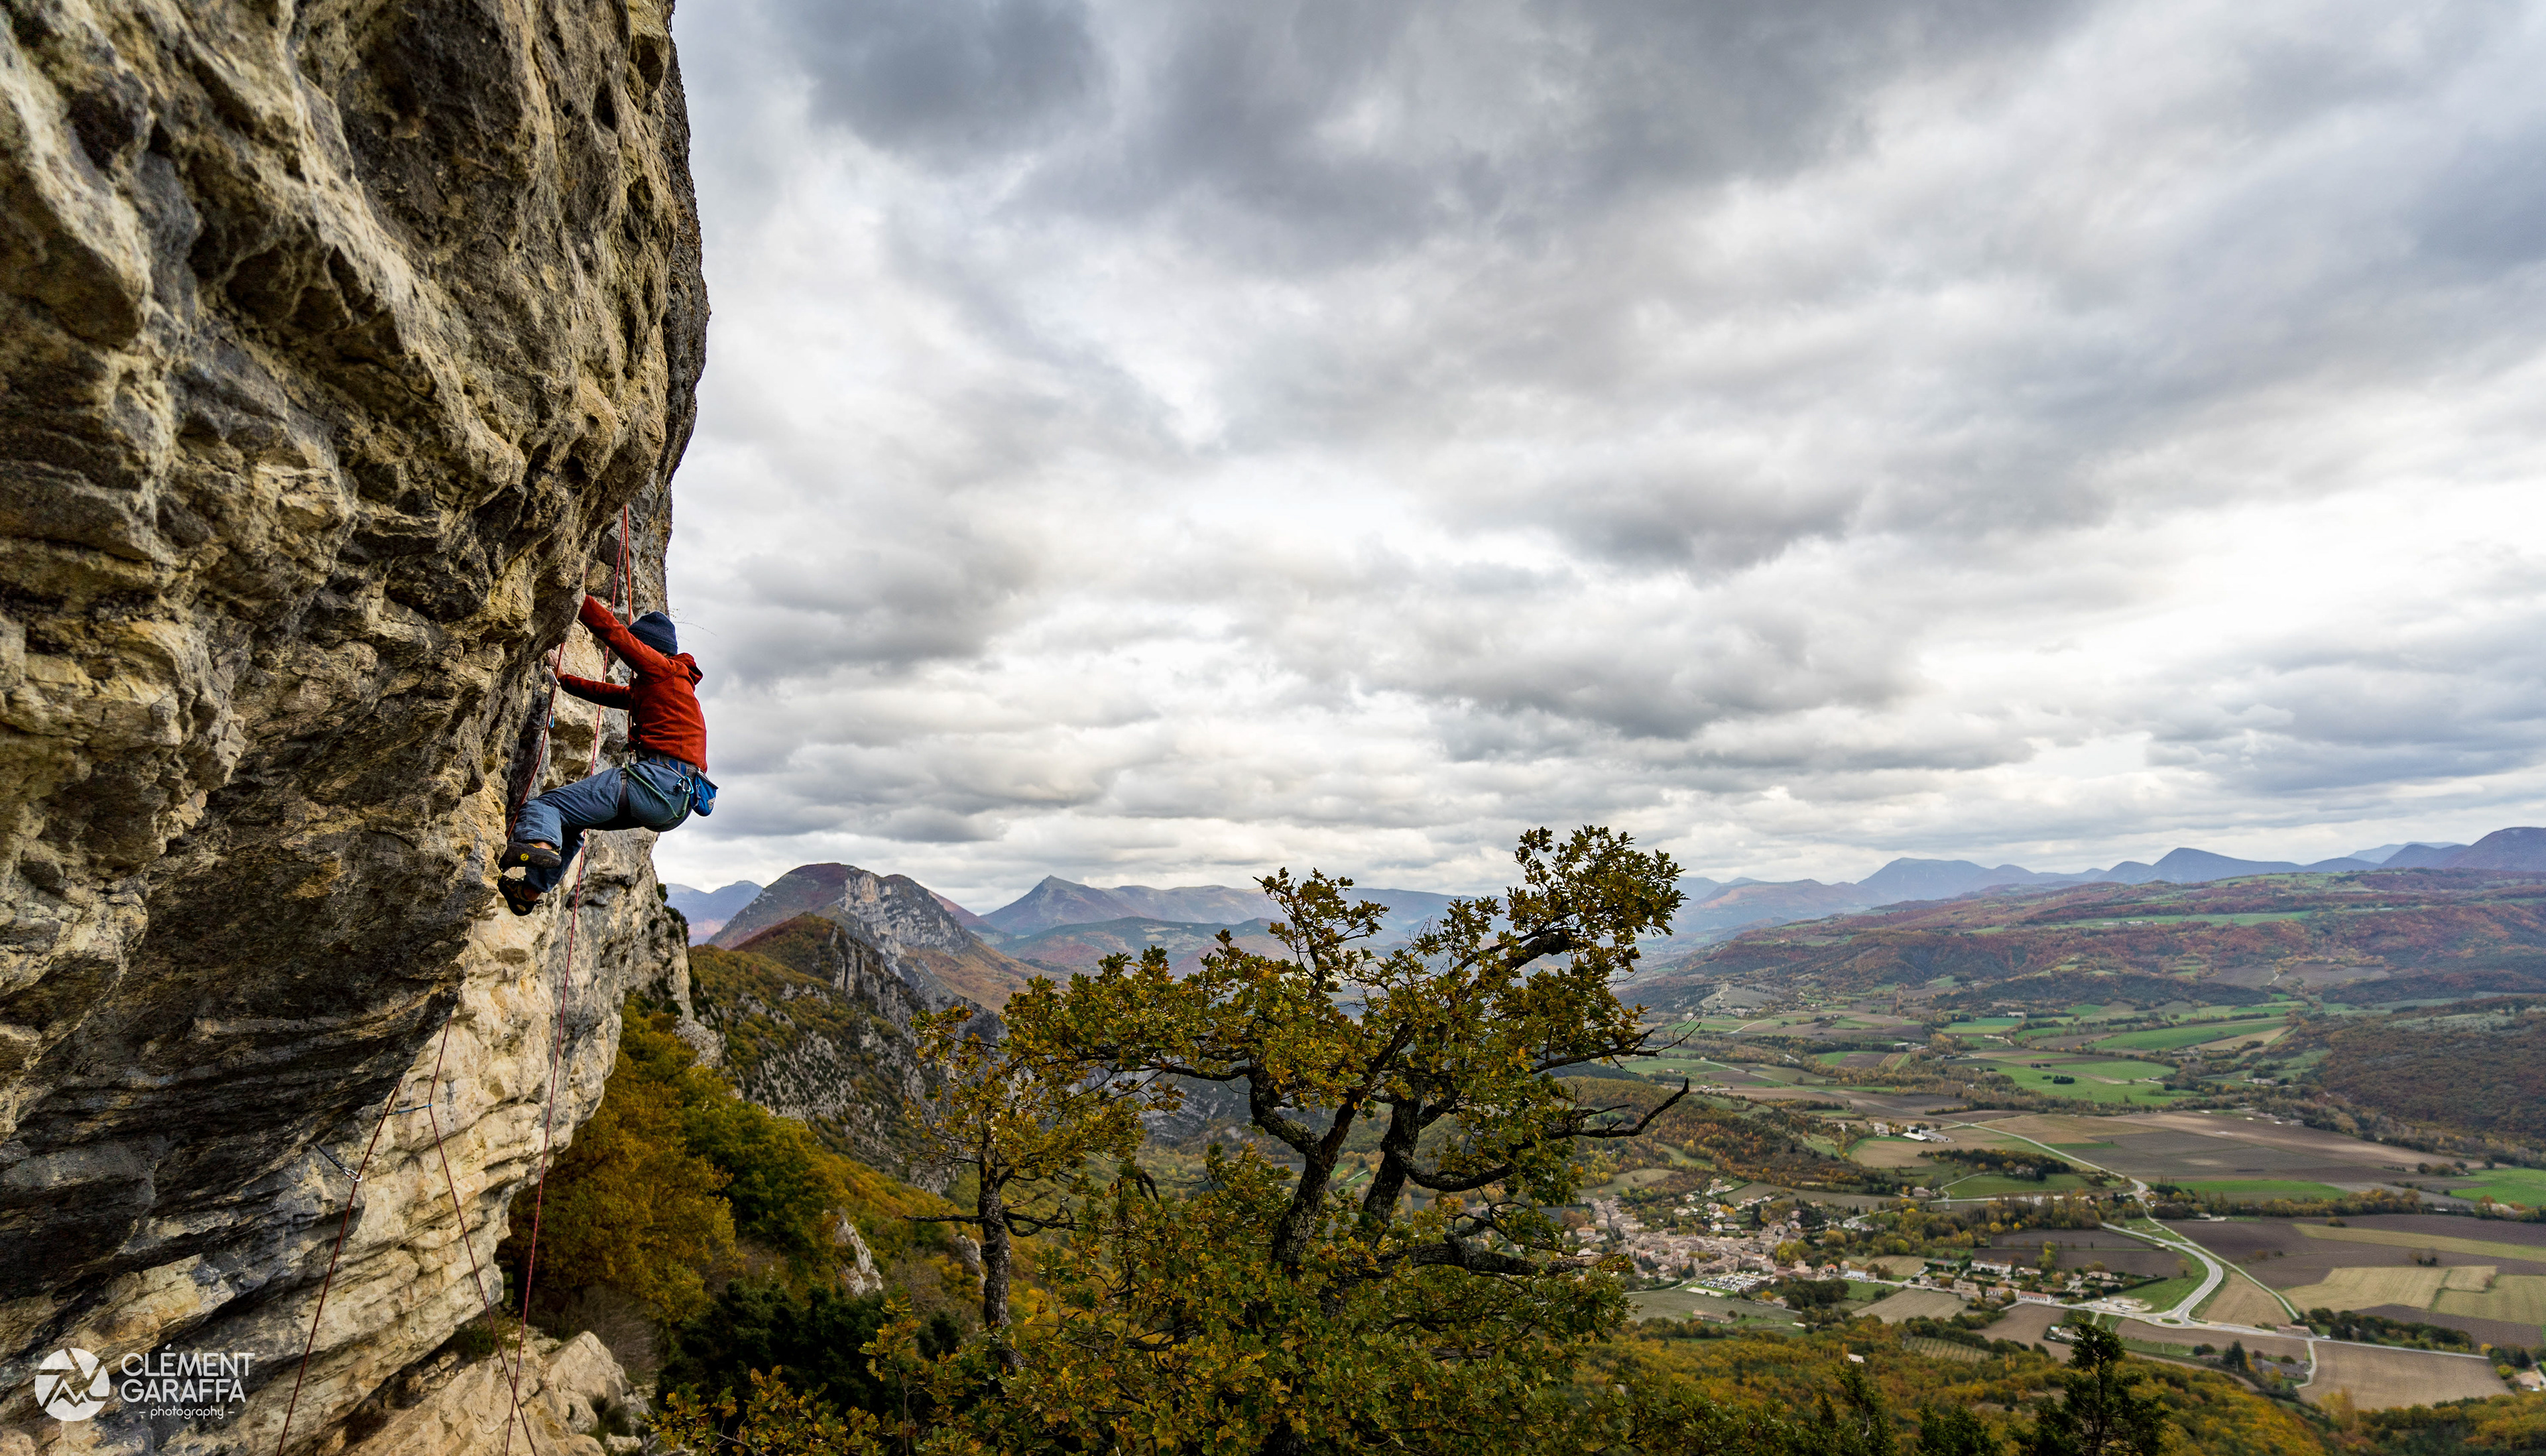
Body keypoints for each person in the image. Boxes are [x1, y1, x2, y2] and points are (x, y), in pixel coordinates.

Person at [497, 595, 711, 915]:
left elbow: (615, 633)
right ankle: (527, 892)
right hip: (675, 804)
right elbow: (611, 694)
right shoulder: (668, 688)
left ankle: (539, 846)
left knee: (547, 805)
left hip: (654, 783)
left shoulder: (663, 671)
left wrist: (576, 597)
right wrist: (565, 680)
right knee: (570, 823)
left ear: (651, 648)